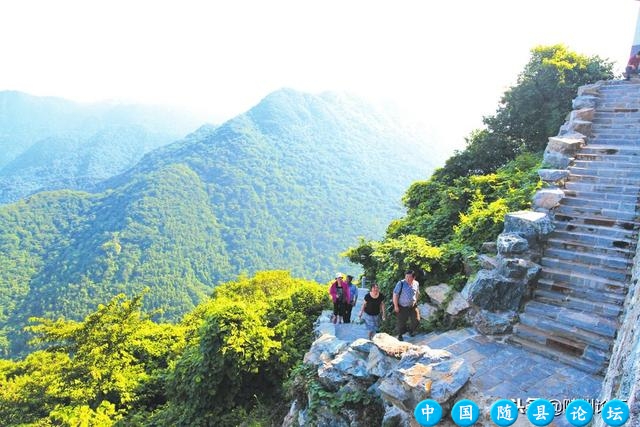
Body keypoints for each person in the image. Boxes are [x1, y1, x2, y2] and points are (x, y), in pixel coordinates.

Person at [392, 269, 420, 341]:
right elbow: (395, 295)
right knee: (401, 323)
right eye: (406, 276)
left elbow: (417, 292)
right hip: (402, 306)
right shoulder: (401, 283)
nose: (407, 278)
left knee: (416, 320)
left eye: (409, 277)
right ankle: (400, 335)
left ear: (414, 278)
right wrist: (396, 306)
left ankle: (410, 330)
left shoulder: (416, 283)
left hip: (412, 306)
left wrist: (416, 301)